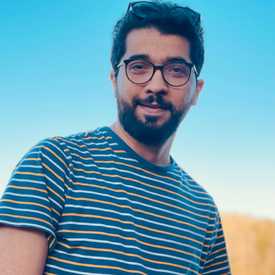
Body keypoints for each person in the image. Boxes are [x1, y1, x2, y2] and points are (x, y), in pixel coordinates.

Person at [0, 1, 231, 274]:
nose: (156, 85)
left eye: (176, 70)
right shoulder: (54, 163)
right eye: (138, 66)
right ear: (114, 79)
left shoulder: (203, 211)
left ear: (197, 91)